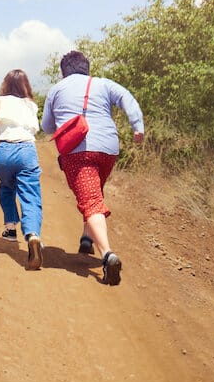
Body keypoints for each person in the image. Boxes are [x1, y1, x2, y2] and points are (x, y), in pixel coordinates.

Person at [41, 50, 144, 285]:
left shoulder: (56, 89)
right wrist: (137, 126)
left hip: (77, 151)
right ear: (86, 68)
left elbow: (47, 127)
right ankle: (86, 239)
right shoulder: (103, 84)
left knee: (91, 201)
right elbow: (126, 97)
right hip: (108, 149)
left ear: (64, 71)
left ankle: (107, 255)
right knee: (94, 192)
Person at [0, 69, 44, 270]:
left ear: (5, 84)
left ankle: (10, 229)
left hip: (5, 150)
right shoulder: (31, 104)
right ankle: (32, 235)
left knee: (7, 188)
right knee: (30, 195)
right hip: (27, 150)